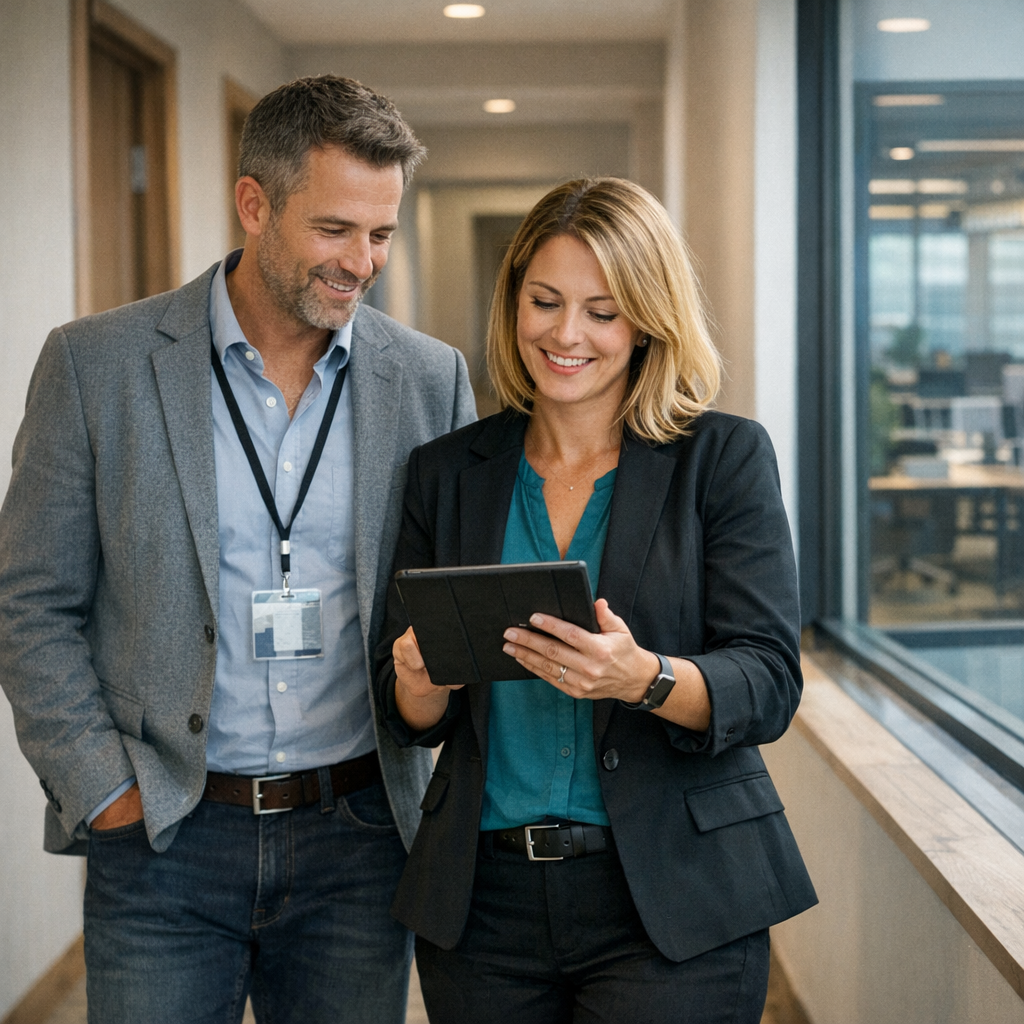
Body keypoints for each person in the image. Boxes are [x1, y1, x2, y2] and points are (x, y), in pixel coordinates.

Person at [0, 75, 475, 1024]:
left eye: (381, 234)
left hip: (359, 835)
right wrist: (104, 791)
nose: (363, 262)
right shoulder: (96, 366)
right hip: (167, 838)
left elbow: (448, 603)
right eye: (335, 229)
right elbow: (30, 604)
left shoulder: (429, 378)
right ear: (254, 204)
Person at [374, 177, 817, 1023]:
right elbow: (407, 715)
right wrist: (417, 682)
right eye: (544, 302)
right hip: (484, 905)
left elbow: (768, 681)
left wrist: (643, 678)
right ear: (513, 305)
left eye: (602, 312)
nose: (566, 334)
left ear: (647, 320)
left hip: (672, 898)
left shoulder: (720, 459)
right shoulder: (446, 473)